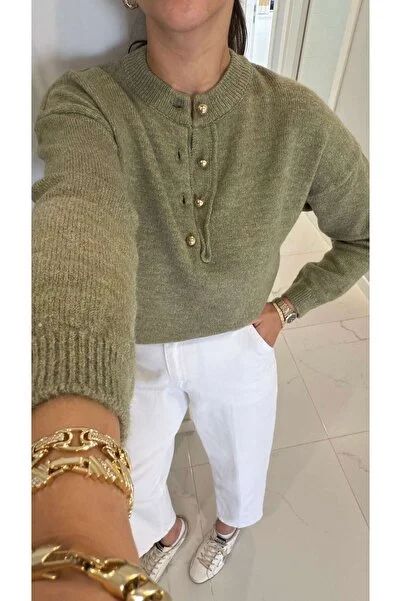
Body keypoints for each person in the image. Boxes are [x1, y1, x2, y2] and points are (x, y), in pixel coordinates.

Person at [32, 0, 369, 596]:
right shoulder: (87, 103)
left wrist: (288, 307)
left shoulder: (298, 119)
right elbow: (80, 215)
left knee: (242, 460)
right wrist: (66, 478)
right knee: (135, 481)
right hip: (132, 351)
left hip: (239, 340)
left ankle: (228, 527)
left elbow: (367, 232)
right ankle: (164, 532)